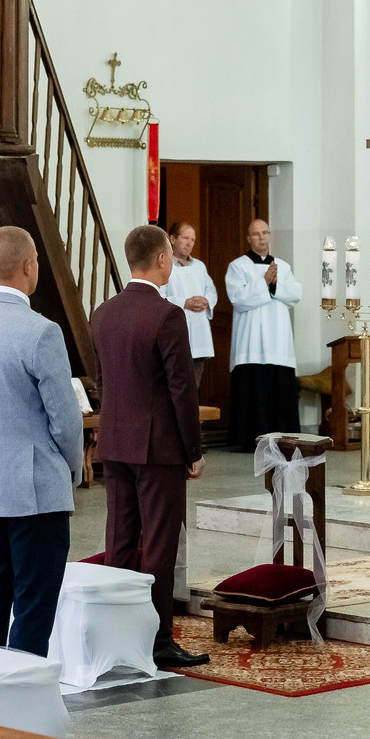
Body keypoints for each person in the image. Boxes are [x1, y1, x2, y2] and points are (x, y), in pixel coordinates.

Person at [0, 226, 87, 656]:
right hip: (34, 489)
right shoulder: (41, 331)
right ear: (28, 266)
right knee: (32, 607)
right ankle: (19, 705)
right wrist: (70, 469)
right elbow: (65, 420)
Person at [90, 224, 209, 669]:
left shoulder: (103, 313)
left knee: (120, 542)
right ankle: (158, 640)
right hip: (158, 448)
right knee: (159, 546)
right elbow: (183, 390)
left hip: (116, 442)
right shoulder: (167, 315)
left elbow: (103, 382)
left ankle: (117, 633)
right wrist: (193, 450)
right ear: (162, 259)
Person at [223, 218, 303, 448]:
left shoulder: (283, 266)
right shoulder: (238, 266)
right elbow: (238, 299)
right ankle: (248, 440)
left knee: (280, 387)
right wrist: (265, 283)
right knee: (253, 387)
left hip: (278, 338)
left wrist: (275, 285)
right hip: (251, 341)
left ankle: (284, 439)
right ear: (249, 238)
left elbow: (295, 294)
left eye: (265, 233)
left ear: (270, 235)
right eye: (256, 234)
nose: (261, 238)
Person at [159, 221, 218, 369]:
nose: (189, 243)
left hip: (200, 336)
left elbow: (211, 291)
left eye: (192, 240)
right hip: (176, 335)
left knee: (194, 385)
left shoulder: (199, 266)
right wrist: (184, 303)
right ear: (172, 239)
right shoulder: (163, 265)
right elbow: (158, 298)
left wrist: (207, 301)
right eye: (185, 238)